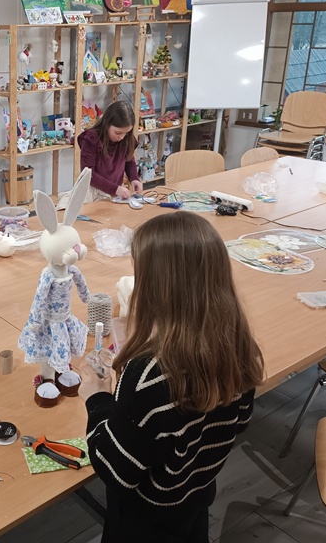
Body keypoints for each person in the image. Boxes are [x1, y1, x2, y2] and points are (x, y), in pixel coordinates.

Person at [78, 212, 265, 543]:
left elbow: (115, 468)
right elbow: (239, 422)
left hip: (143, 521)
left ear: (156, 289)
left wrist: (97, 399)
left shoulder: (149, 375)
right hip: (193, 497)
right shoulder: (240, 347)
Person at [57, 101, 142, 210]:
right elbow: (89, 174)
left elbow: (129, 161)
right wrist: (115, 189)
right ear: (106, 123)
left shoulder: (126, 140)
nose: (121, 137)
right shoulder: (92, 139)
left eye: (126, 133)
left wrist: (134, 178)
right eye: (118, 133)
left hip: (113, 192)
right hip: (90, 190)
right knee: (67, 209)